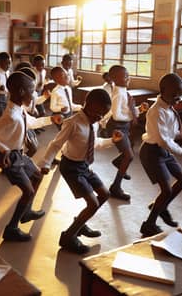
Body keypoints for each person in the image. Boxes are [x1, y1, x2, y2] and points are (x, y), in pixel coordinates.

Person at [40, 89, 123, 254]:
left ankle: (80, 223)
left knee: (104, 195)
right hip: (71, 167)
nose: (99, 118)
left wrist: (112, 141)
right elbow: (55, 144)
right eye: (97, 113)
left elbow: (95, 142)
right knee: (92, 203)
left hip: (84, 166)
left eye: (103, 115)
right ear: (87, 103)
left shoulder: (94, 122)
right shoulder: (73, 122)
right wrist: (46, 163)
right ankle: (68, 237)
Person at [0, 71, 62, 242]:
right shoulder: (10, 115)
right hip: (8, 157)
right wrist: (4, 149)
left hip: (19, 154)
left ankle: (26, 211)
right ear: (21, 92)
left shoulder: (20, 109)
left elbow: (32, 123)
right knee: (28, 190)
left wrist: (51, 119)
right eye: (31, 90)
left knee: (37, 176)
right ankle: (11, 228)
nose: (34, 94)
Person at [139, 73, 182, 237]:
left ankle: (161, 206)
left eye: (181, 93)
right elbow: (163, 139)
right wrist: (181, 150)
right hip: (152, 152)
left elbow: (171, 134)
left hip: (163, 151)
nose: (179, 97)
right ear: (163, 90)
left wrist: (178, 137)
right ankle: (149, 224)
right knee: (166, 191)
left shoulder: (169, 108)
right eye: (175, 93)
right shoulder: (156, 111)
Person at [105, 65, 148, 201]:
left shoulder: (124, 91)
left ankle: (119, 163)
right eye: (125, 76)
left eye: (128, 75)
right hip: (117, 126)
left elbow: (126, 110)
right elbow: (117, 115)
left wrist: (139, 110)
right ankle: (116, 187)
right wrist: (131, 117)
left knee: (128, 154)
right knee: (129, 156)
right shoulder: (118, 94)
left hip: (123, 125)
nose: (128, 78)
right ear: (113, 79)